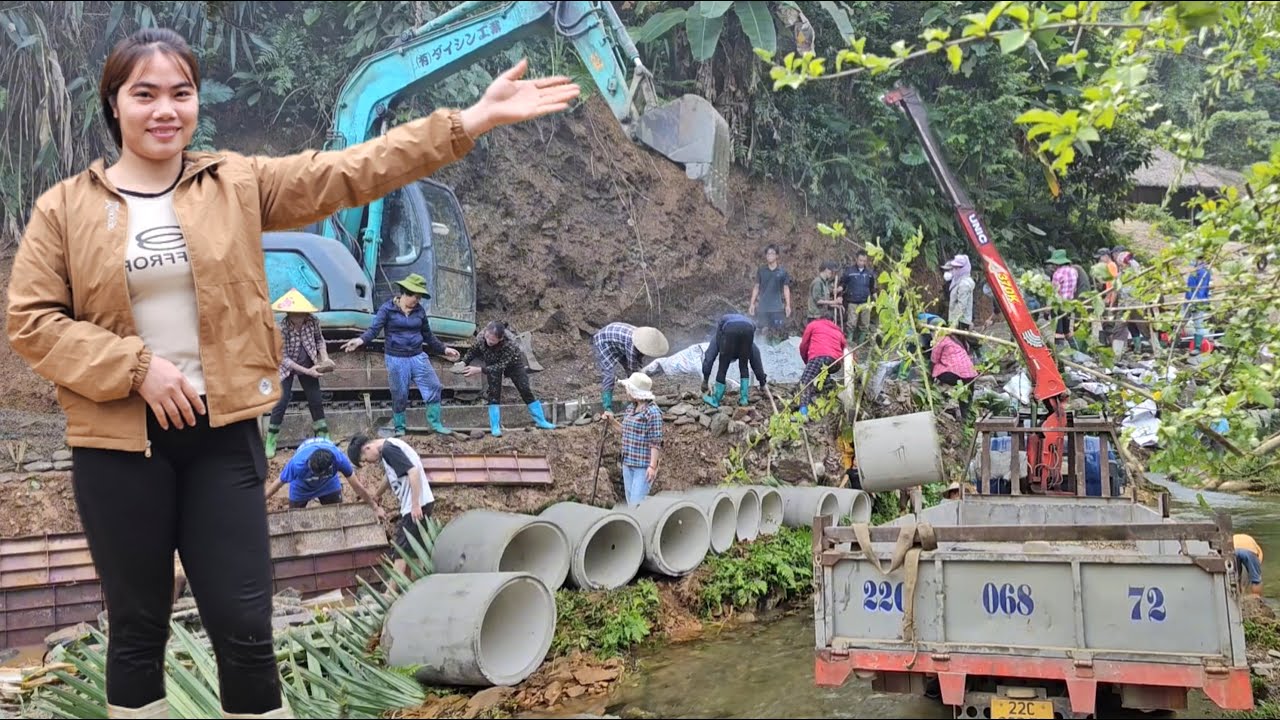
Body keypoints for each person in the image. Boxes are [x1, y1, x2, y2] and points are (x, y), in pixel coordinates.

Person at [4, 25, 578, 720]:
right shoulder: (65, 209)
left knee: (246, 633)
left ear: (195, 105)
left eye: (180, 93)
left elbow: (353, 169)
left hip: (223, 439)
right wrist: (136, 368)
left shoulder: (235, 184)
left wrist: (469, 121)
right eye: (144, 93)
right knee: (136, 631)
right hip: (120, 448)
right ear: (114, 104)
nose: (165, 109)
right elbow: (32, 322)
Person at [341, 274, 462, 437]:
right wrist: (360, 340)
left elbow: (428, 335)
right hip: (396, 358)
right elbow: (374, 330)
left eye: (419, 298)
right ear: (406, 293)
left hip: (418, 356)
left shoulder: (419, 311)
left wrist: (444, 349)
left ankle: (435, 424)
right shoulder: (387, 309)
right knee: (400, 393)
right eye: (416, 297)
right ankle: (400, 428)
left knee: (433, 385)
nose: (417, 301)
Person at [347, 434, 436, 579]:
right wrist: (377, 495)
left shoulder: (389, 449)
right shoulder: (387, 450)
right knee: (415, 550)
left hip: (415, 506)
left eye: (365, 459)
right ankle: (415, 586)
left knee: (401, 551)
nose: (369, 462)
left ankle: (390, 594)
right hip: (419, 503)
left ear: (367, 448)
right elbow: (389, 477)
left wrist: (415, 504)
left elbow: (413, 472)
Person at [264, 288, 333, 458]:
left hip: (309, 360)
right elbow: (284, 359)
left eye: (301, 313)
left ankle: (323, 436)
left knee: (315, 400)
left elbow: (319, 340)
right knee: (281, 401)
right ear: (289, 313)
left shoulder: (313, 321)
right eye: (295, 314)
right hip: (287, 367)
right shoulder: (282, 328)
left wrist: (324, 358)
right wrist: (307, 371)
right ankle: (271, 439)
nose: (299, 317)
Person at [461, 320, 556, 437]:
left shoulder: (510, 344)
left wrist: (480, 370)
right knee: (494, 393)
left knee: (525, 389)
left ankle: (541, 421)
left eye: (492, 340)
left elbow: (501, 366)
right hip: (491, 362)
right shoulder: (482, 337)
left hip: (512, 364)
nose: (488, 341)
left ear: (500, 339)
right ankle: (495, 427)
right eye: (487, 337)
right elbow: (473, 351)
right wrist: (463, 362)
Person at [265, 437, 381, 515]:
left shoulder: (339, 459)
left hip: (328, 484)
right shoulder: (297, 464)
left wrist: (374, 507)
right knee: (294, 517)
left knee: (337, 514)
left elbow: (356, 486)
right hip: (302, 486)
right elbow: (278, 483)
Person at [602, 372, 663, 506]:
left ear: (635, 392)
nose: (626, 391)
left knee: (636, 504)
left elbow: (655, 442)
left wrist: (652, 467)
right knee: (631, 503)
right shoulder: (631, 408)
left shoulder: (652, 412)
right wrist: (612, 421)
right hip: (628, 463)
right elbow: (626, 430)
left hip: (642, 467)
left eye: (628, 388)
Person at [591, 322, 669, 413]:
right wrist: (641, 388)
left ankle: (634, 401)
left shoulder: (643, 339)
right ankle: (607, 407)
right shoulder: (633, 344)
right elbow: (633, 371)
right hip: (604, 341)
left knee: (633, 375)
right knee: (609, 376)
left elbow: (638, 361)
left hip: (619, 343)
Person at [700, 313, 768, 409]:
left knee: (723, 366)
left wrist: (705, 380)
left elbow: (709, 357)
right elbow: (756, 359)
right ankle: (744, 399)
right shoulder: (750, 341)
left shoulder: (718, 337)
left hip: (730, 329)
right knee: (744, 366)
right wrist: (762, 382)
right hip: (749, 328)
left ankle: (715, 400)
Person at [797, 316, 846, 417]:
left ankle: (803, 413)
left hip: (819, 356)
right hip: (835, 362)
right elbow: (845, 348)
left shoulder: (813, 325)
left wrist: (807, 361)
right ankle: (829, 397)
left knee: (805, 383)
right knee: (823, 376)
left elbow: (803, 346)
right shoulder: (838, 331)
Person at [748, 244, 792, 344]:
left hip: (777, 308)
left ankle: (777, 354)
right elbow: (756, 287)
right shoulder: (761, 270)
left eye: (772, 253)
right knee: (761, 332)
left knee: (777, 333)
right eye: (768, 254)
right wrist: (752, 303)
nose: (769, 256)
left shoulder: (782, 272)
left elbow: (786, 288)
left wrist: (788, 305)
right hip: (763, 307)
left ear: (777, 256)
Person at [931, 332, 979, 421]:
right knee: (966, 397)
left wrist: (931, 375)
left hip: (956, 374)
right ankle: (966, 418)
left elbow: (934, 358)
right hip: (971, 374)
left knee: (937, 367)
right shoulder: (956, 340)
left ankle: (948, 399)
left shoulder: (941, 339)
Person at [839, 250, 876, 343]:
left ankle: (861, 343)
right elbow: (842, 284)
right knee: (851, 323)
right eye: (860, 260)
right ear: (856, 259)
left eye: (864, 261)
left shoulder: (869, 273)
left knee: (865, 324)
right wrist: (838, 291)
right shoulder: (849, 272)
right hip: (853, 301)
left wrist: (877, 300)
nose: (862, 263)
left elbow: (873, 288)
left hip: (866, 303)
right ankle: (849, 342)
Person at [1046, 249, 1079, 349]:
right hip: (1069, 304)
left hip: (1059, 305)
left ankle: (1059, 355)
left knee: (1058, 331)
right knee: (1067, 330)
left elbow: (1053, 293)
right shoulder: (1074, 271)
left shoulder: (1057, 274)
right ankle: (1076, 351)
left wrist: (1047, 309)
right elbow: (1075, 289)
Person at [941, 254, 975, 332]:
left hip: (960, 322)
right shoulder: (957, 281)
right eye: (955, 267)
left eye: (958, 267)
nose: (955, 270)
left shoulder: (964, 284)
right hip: (956, 320)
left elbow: (961, 305)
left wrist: (954, 323)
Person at [1186, 257, 1213, 355]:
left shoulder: (1204, 272)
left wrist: (1196, 301)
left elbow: (1202, 288)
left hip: (1198, 301)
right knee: (1180, 322)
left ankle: (1198, 347)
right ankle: (1172, 343)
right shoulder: (1194, 272)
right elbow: (1190, 287)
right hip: (1188, 299)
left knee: (1198, 324)